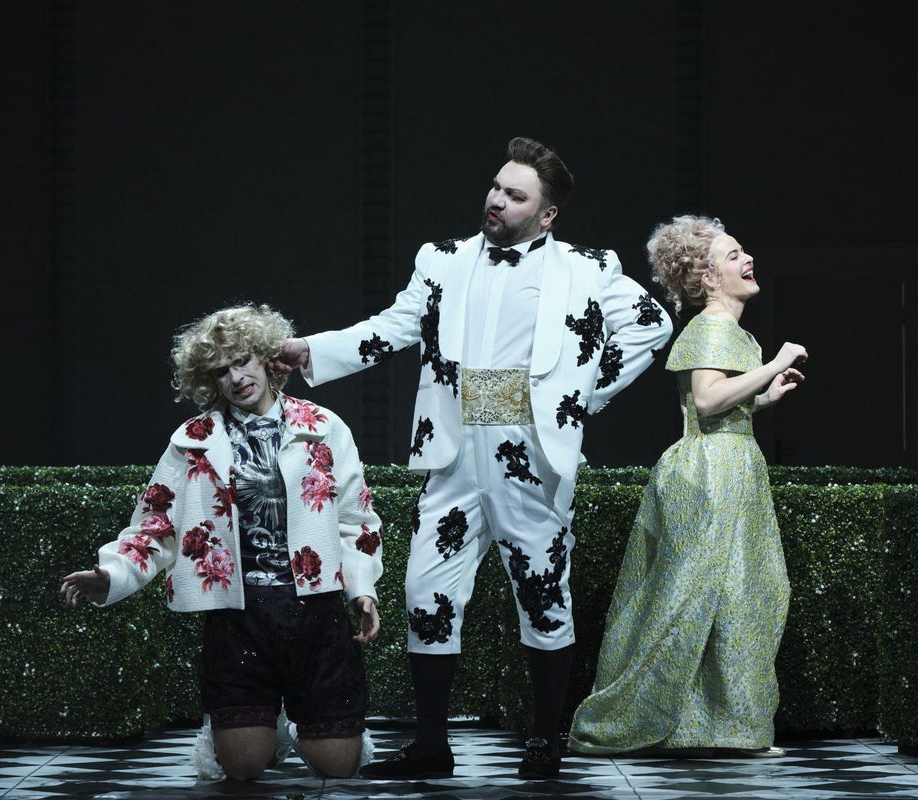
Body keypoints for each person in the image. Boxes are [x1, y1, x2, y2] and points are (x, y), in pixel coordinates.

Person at [278, 137, 673, 779]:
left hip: (531, 451)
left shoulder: (589, 267)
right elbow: (392, 327)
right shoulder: (442, 259)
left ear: (547, 214)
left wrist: (577, 395)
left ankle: (545, 738)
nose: (497, 200)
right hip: (454, 449)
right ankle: (432, 746)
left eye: (515, 195)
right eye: (496, 187)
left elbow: (652, 324)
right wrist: (312, 350)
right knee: (424, 591)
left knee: (542, 592)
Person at [59, 303, 383, 781]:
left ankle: (293, 725)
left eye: (242, 361)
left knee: (338, 766)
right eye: (220, 371)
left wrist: (362, 590)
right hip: (238, 617)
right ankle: (261, 729)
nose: (235, 378)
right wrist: (111, 575)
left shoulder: (323, 427)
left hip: (315, 611)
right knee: (243, 767)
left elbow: (356, 520)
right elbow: (155, 524)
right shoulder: (193, 440)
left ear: (267, 359)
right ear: (208, 382)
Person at [567, 215, 806, 757]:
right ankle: (633, 716)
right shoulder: (712, 326)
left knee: (740, 595)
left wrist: (765, 396)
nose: (747, 259)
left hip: (731, 466)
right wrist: (775, 363)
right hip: (708, 474)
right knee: (692, 595)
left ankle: (720, 726)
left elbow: (723, 407)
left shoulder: (732, 331)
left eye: (744, 251)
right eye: (733, 255)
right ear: (708, 277)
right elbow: (706, 401)